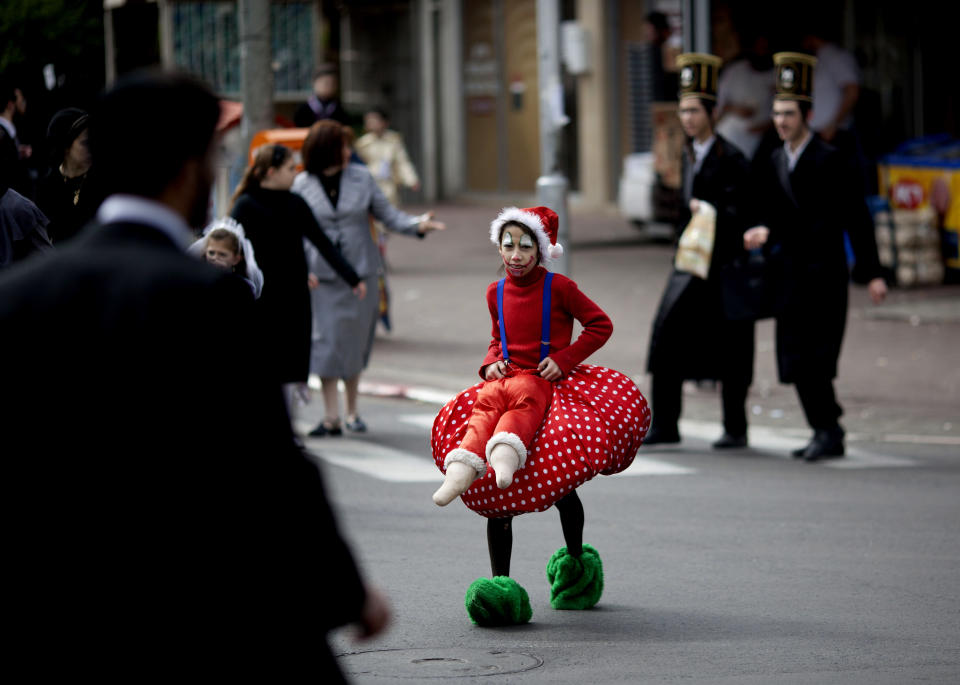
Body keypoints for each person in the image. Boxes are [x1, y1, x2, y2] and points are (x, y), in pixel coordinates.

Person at [0, 70, 388, 679]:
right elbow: (269, 464)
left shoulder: (19, 296)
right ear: (188, 168)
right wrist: (346, 593)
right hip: (196, 613)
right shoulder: (210, 299)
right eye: (215, 153)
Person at [431, 206, 650, 626]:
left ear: (542, 249)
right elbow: (498, 340)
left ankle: (574, 562)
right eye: (507, 245)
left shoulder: (562, 287)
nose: (514, 254)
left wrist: (565, 359)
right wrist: (490, 363)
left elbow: (600, 325)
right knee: (496, 491)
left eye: (525, 246)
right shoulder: (494, 292)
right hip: (503, 385)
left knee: (560, 485)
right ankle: (500, 583)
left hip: (546, 391)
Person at [744, 52, 886, 461]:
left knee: (818, 358)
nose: (781, 121)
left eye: (789, 113)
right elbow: (769, 211)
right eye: (776, 113)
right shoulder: (774, 159)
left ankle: (829, 429)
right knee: (793, 358)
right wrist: (760, 229)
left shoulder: (831, 159)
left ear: (806, 113)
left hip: (824, 274)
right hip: (788, 275)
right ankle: (823, 427)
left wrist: (872, 271)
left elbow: (856, 217)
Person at [292, 120, 444, 437]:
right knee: (325, 343)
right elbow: (294, 233)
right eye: (342, 146)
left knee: (356, 342)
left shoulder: (361, 178)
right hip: (320, 275)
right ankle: (331, 416)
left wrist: (417, 225)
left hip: (361, 272)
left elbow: (389, 215)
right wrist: (299, 268)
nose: (348, 152)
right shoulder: (302, 183)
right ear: (326, 150)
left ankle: (352, 411)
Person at [645, 53, 754, 449]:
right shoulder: (689, 154)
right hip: (690, 266)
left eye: (694, 110)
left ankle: (736, 427)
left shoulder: (733, 159)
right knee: (667, 338)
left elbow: (742, 213)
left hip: (723, 269)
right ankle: (666, 424)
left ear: (712, 111)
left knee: (732, 349)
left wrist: (709, 212)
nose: (687, 118)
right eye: (683, 110)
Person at [229, 142, 366, 407]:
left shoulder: (295, 203)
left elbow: (322, 242)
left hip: (294, 297)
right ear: (271, 172)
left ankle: (286, 424)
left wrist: (352, 277)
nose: (296, 173)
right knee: (262, 362)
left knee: (290, 365)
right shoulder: (245, 206)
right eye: (290, 168)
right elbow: (227, 247)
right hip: (259, 298)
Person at [355, 107, 421, 331]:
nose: (372, 124)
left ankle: (380, 253)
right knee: (375, 228)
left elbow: (402, 162)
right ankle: (379, 255)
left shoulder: (394, 141)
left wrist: (410, 179)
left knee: (387, 225)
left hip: (388, 191)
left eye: (375, 120)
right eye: (369, 120)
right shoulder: (363, 144)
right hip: (369, 190)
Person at [35, 107, 99, 244]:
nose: (92, 148)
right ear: (65, 145)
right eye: (85, 143)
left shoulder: (102, 182)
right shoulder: (47, 187)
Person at [715, 33, 775, 160]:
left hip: (759, 142)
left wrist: (765, 128)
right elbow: (717, 106)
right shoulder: (735, 71)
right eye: (758, 47)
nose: (761, 52)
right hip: (730, 133)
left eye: (764, 48)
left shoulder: (775, 76)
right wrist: (734, 109)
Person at [188, 216, 264, 298]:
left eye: (222, 254)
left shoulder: (243, 286)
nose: (215, 257)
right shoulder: (197, 280)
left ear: (236, 259)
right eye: (211, 253)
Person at [294, 63, 350, 128]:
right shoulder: (303, 111)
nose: (330, 86)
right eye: (326, 83)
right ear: (314, 83)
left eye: (333, 83)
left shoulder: (340, 111)